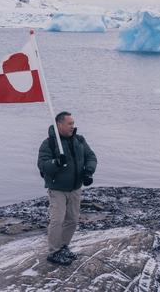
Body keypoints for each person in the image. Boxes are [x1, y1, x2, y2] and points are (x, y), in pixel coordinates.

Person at [37, 111, 97, 265]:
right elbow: (42, 166)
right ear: (60, 124)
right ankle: (53, 252)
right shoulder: (49, 143)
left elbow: (91, 157)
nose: (73, 126)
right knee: (57, 220)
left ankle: (63, 247)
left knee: (72, 220)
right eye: (69, 123)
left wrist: (88, 172)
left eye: (73, 123)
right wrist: (56, 163)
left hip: (75, 188)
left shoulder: (79, 140)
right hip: (57, 189)